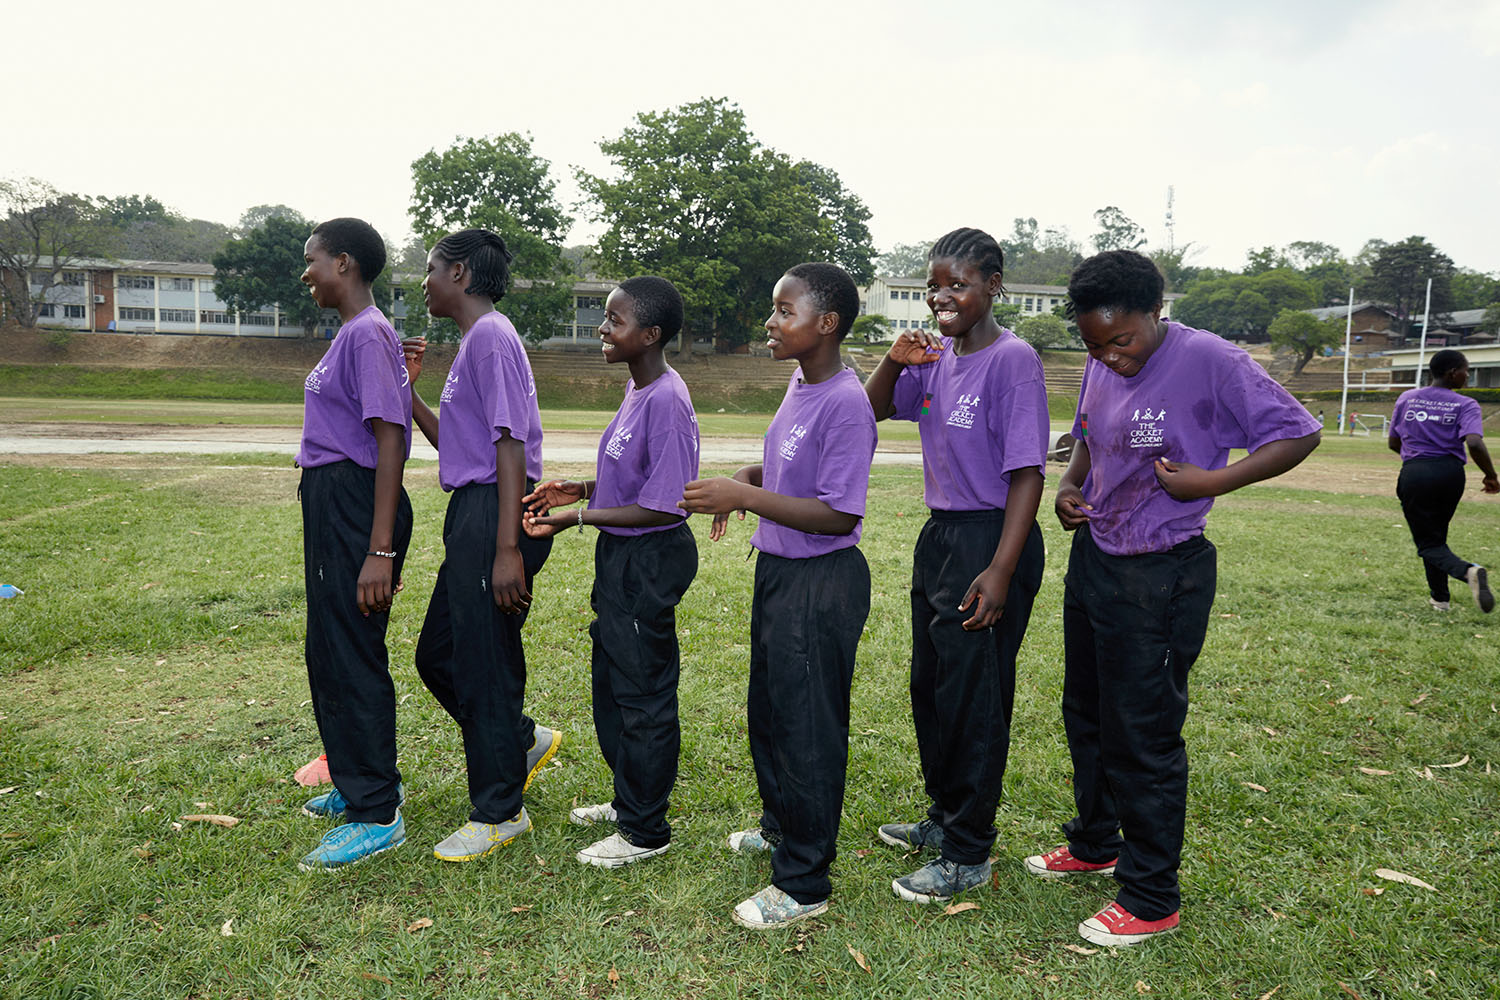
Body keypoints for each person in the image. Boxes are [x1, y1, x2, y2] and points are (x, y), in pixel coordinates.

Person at [1037, 250, 1320, 946]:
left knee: (1143, 732)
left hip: (1162, 571)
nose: (1110, 358)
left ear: (1156, 311)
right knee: (1088, 713)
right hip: (1097, 557)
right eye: (1094, 345)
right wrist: (1071, 488)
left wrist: (1210, 483)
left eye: (1122, 341)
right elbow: (1087, 441)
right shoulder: (1102, 360)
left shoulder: (1213, 360)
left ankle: (1152, 895)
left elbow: (1300, 433)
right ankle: (1097, 841)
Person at [679, 262, 875, 929]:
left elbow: (839, 514)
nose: (770, 321)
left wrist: (744, 496)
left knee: (808, 730)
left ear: (826, 324)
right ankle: (779, 827)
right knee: (770, 711)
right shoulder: (801, 383)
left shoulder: (847, 401)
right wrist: (749, 475)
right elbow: (793, 467)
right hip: (781, 573)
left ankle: (804, 881)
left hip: (822, 582)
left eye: (784, 311)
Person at [861, 228, 1048, 904]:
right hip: (940, 535)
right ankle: (943, 819)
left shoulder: (1013, 360)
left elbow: (1028, 474)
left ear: (993, 286)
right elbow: (870, 410)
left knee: (974, 698)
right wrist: (894, 357)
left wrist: (1000, 569)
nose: (943, 297)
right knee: (933, 685)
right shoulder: (934, 358)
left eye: (959, 284)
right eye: (934, 286)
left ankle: (969, 853)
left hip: (993, 539)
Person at [521, 276, 700, 868]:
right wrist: (585, 485)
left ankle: (645, 830)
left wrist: (576, 515)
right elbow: (637, 477)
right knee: (613, 686)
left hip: (648, 559)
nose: (602, 329)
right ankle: (630, 800)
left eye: (614, 321)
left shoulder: (668, 399)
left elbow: (665, 502)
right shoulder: (637, 388)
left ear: (649, 335)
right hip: (621, 555)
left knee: (643, 693)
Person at [400, 228, 560, 862]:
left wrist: (505, 549)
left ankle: (499, 811)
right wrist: (408, 393)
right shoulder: (475, 341)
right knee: (438, 654)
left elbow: (510, 446)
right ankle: (519, 742)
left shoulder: (491, 336)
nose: (426, 280)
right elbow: (463, 448)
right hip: (476, 507)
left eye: (433, 268)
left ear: (461, 274)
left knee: (482, 665)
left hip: (496, 514)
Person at [293, 218, 414, 871]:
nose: (306, 272)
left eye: (311, 260)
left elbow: (389, 438)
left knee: (353, 652)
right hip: (335, 501)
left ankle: (378, 813)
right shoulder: (352, 335)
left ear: (343, 263)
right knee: (330, 650)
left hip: (358, 508)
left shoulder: (368, 334)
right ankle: (358, 782)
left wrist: (381, 549)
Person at [1388, 349, 1497, 612]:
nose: (1467, 375)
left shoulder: (1407, 398)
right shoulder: (1466, 404)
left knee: (1428, 542)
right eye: (1465, 370)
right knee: (1436, 535)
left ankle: (1468, 572)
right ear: (1452, 373)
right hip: (1450, 474)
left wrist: (1415, 457)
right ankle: (1440, 599)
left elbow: (1393, 442)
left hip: (1416, 471)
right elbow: (1474, 441)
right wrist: (1491, 475)